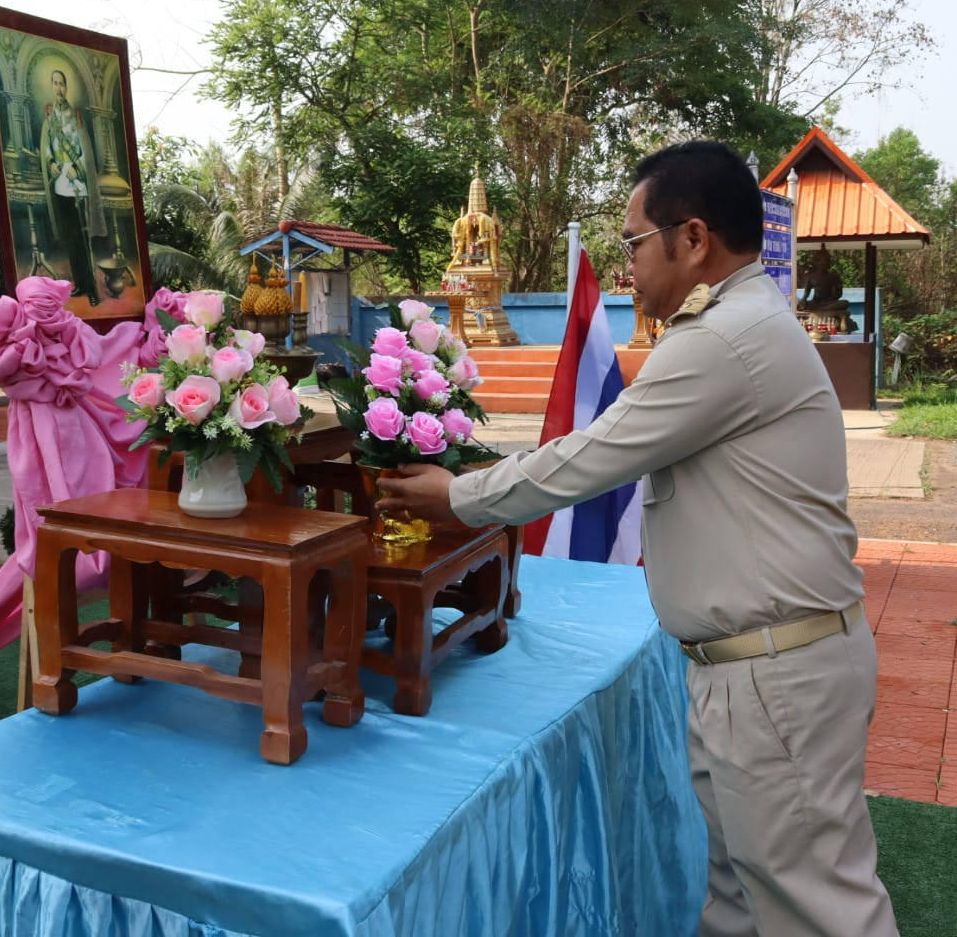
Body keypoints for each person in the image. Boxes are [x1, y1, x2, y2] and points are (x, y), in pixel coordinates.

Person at [377, 141, 898, 936]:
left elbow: (591, 456)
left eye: (633, 245)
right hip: (756, 666)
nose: (627, 270)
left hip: (774, 676)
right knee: (738, 901)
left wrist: (460, 495)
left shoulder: (723, 339)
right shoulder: (743, 321)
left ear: (693, 240)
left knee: (817, 909)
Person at [39, 67, 106, 306]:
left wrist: (75, 166)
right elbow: (47, 148)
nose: (58, 88)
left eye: (62, 83)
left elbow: (84, 149)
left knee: (83, 237)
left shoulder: (76, 116)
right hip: (59, 182)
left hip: (76, 181)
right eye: (55, 83)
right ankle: (81, 283)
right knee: (71, 238)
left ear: (66, 87)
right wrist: (52, 164)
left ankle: (93, 289)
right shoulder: (49, 118)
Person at [798, 247, 850, 312]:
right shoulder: (811, 277)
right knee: (798, 304)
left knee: (845, 303)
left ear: (829, 263)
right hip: (816, 302)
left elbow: (839, 294)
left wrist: (833, 297)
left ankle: (820, 309)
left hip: (828, 303)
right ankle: (818, 309)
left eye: (825, 260)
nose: (822, 263)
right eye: (819, 260)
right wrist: (803, 300)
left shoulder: (834, 276)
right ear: (815, 262)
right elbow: (806, 294)